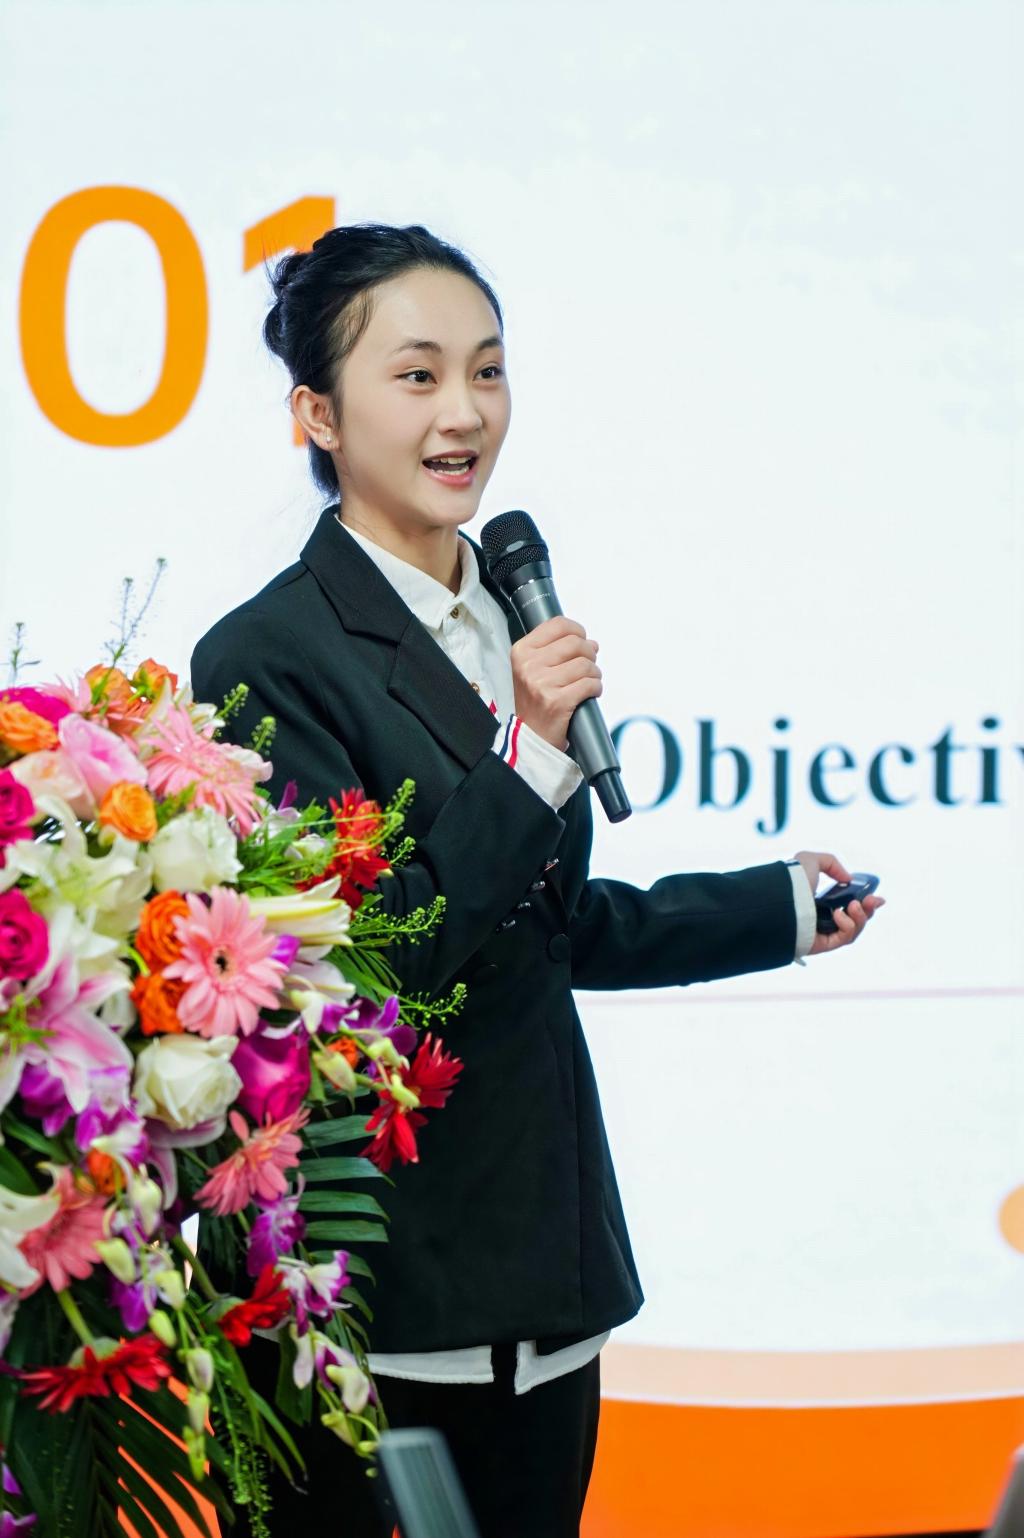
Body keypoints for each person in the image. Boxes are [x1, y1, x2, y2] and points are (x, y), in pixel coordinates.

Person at [189, 222, 885, 1538]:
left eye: (488, 371)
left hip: (547, 1273)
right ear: (317, 414)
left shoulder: (506, 612)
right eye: (418, 375)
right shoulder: (265, 658)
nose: (464, 412)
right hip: (381, 1295)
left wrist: (775, 907)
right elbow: (371, 964)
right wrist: (528, 756)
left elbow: (542, 929)